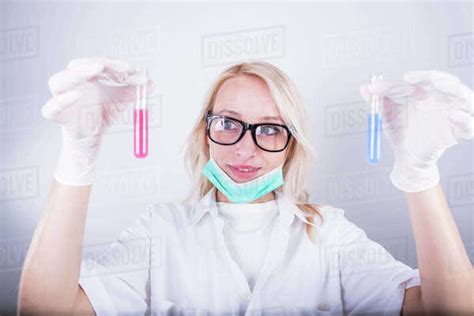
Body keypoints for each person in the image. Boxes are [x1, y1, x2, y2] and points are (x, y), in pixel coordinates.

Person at [18, 57, 473, 315]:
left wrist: (420, 176)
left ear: (291, 144)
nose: (245, 150)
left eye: (270, 129)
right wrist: (79, 154)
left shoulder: (331, 235)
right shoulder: (160, 230)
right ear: (205, 131)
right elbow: (44, 311)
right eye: (229, 124)